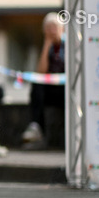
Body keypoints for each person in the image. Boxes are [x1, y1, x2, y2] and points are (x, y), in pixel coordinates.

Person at [22, 13, 66, 147]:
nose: (51, 31)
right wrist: (47, 45)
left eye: (54, 27)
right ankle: (36, 126)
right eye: (48, 28)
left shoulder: (69, 45)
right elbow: (41, 72)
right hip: (51, 90)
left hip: (66, 88)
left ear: (62, 28)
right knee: (37, 84)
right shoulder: (48, 47)